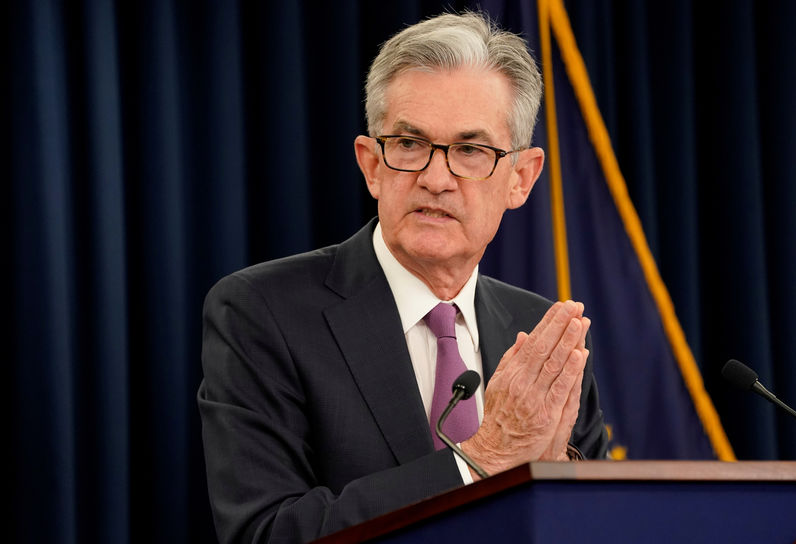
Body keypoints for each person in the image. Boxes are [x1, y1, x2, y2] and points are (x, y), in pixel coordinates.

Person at [198, 11, 607, 543]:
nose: (436, 179)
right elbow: (267, 532)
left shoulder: (542, 335)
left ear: (521, 179)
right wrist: (483, 459)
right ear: (371, 164)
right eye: (409, 145)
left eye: (470, 150)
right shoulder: (261, 312)